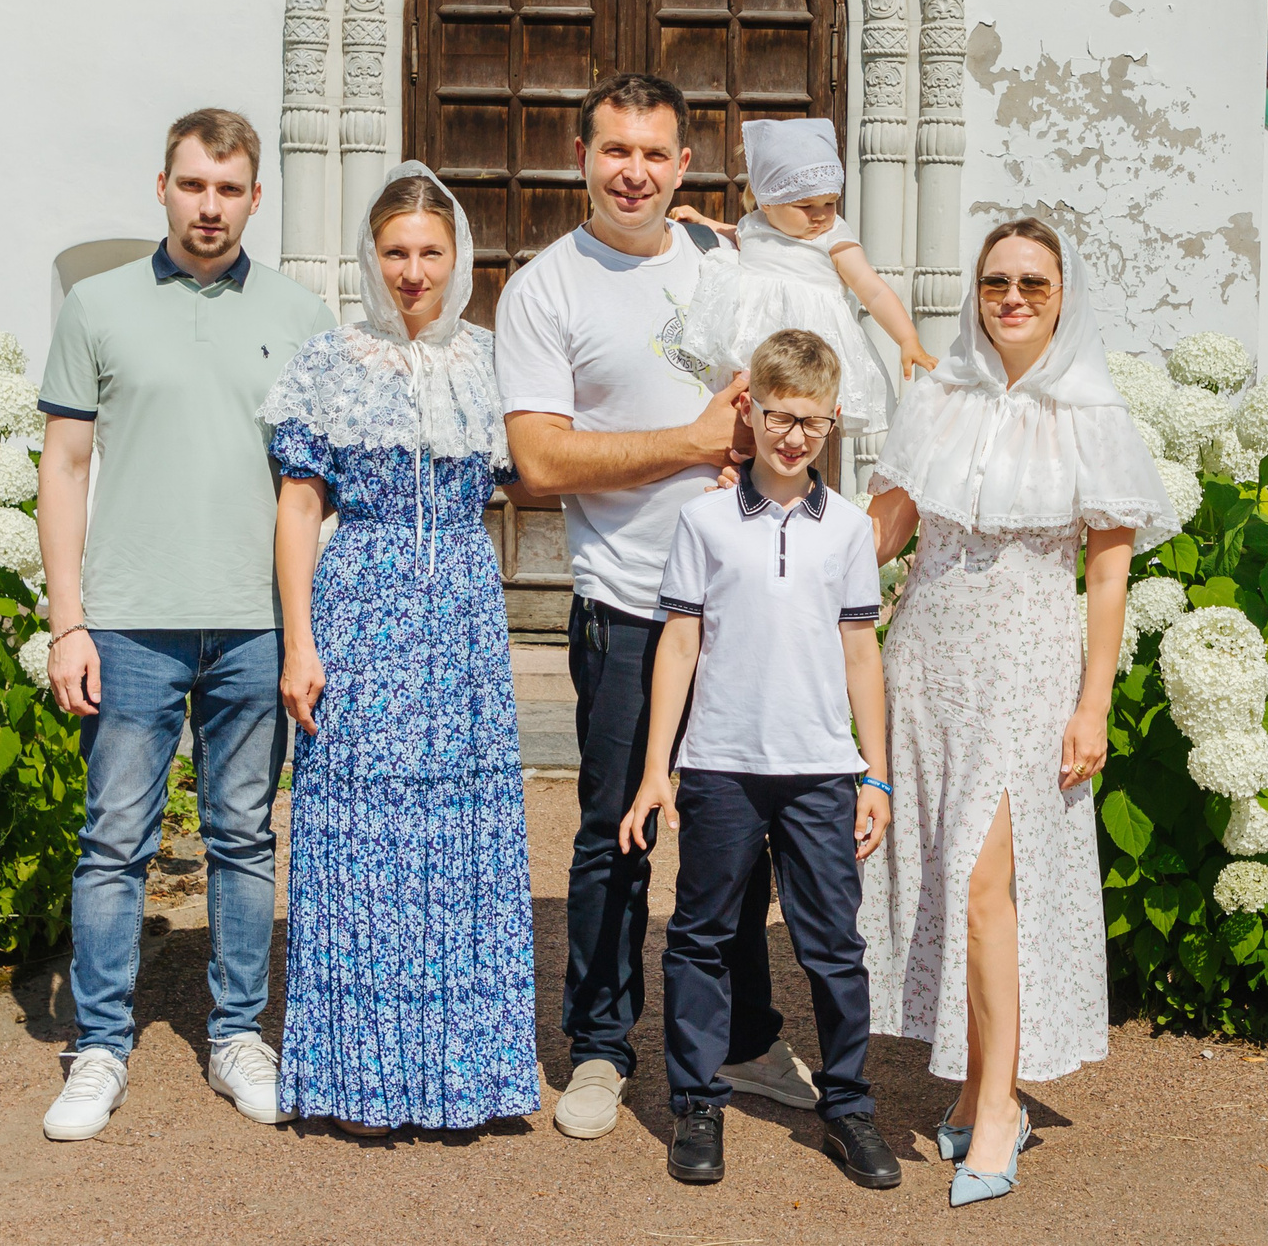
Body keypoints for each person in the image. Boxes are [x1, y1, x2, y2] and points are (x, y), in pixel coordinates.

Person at [495, 72, 817, 1141]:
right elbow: (538, 459)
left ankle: (743, 1035)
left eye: (653, 152)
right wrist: (687, 443)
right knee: (612, 833)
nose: (631, 169)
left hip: (743, 604)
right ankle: (598, 1045)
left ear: (684, 167)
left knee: (743, 831)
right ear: (580, 157)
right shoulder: (547, 289)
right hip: (629, 603)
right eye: (613, 149)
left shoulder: (733, 265)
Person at [34, 108, 337, 1142]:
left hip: (254, 621)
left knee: (245, 838)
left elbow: (315, 488)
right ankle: (100, 1047)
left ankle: (239, 1035)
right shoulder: (98, 307)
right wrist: (66, 621)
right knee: (113, 840)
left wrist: (305, 628)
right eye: (193, 185)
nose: (210, 207)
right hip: (127, 621)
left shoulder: (302, 318)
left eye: (229, 189)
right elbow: (65, 468)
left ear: (256, 198)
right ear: (160, 187)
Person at [858, 217, 1174, 1208]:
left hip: (1030, 668)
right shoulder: (937, 398)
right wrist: (772, 543)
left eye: (1033, 284)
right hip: (926, 661)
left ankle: (999, 1103)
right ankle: (967, 1080)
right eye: (997, 281)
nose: (1012, 298)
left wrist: (1094, 704)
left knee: (990, 881)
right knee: (950, 880)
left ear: (1063, 295)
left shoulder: (1093, 415)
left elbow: (1109, 578)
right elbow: (884, 531)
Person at [262, 163, 538, 1135]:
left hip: (460, 614)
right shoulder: (329, 363)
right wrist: (300, 642)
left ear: (456, 257)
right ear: (369, 259)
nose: (411, 271)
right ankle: (361, 1078)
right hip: (360, 607)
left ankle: (462, 1076)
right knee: (359, 840)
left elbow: (521, 474)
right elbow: (299, 507)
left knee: (459, 838)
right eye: (394, 252)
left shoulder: (491, 361)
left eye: (429, 252)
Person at [620, 328, 902, 1191]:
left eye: (813, 424)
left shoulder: (849, 529)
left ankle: (848, 1104)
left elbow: (863, 655)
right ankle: (696, 1103)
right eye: (781, 418)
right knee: (701, 938)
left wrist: (876, 774)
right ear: (756, 411)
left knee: (833, 948)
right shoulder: (704, 519)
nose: (794, 437)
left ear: (833, 422)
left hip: (819, 771)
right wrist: (655, 770)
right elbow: (678, 644)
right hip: (719, 764)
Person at [672, 117, 937, 437]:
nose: (821, 215)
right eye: (806, 205)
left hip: (806, 352)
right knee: (744, 419)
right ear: (767, 202)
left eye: (830, 203)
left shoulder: (833, 238)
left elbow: (873, 291)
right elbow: (735, 233)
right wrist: (703, 221)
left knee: (794, 421)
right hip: (753, 348)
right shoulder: (756, 226)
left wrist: (907, 339)